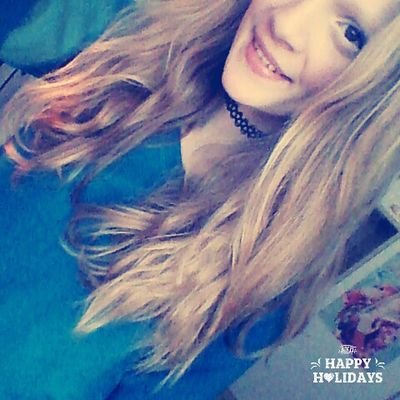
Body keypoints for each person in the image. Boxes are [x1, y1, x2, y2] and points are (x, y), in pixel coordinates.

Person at [0, 0, 399, 398]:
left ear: (373, 102)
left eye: (349, 33)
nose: (285, 23)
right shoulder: (141, 41)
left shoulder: (261, 284)